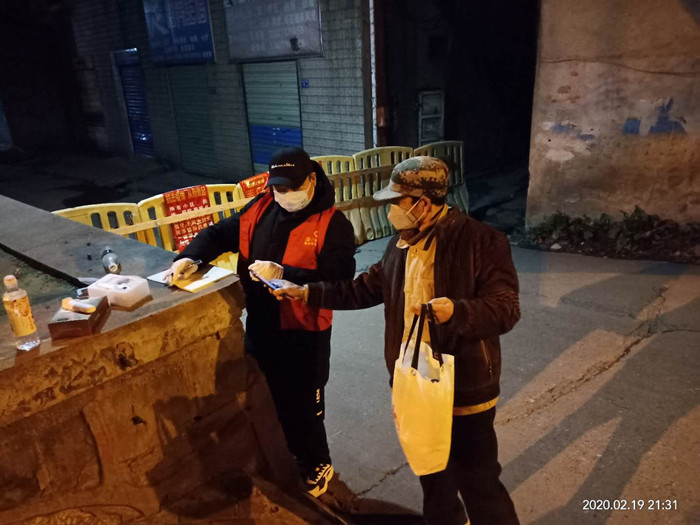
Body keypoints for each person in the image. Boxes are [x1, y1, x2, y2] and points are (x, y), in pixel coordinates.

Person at [272, 156, 521, 524]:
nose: (391, 210)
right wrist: (306, 292)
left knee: (478, 480)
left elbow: (505, 309)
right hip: (413, 383)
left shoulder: (481, 241)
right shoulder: (400, 245)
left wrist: (457, 311)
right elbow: (362, 290)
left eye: (397, 201)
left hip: (464, 386)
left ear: (423, 202)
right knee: (432, 476)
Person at [165, 147, 356, 497]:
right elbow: (221, 233)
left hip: (303, 332)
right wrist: (189, 257)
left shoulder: (333, 225)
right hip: (261, 322)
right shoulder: (262, 207)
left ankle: (317, 462)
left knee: (304, 403)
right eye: (279, 188)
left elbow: (340, 282)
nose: (286, 195)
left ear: (312, 180)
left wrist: (285, 273)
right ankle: (280, 451)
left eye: (292, 187)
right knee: (266, 391)